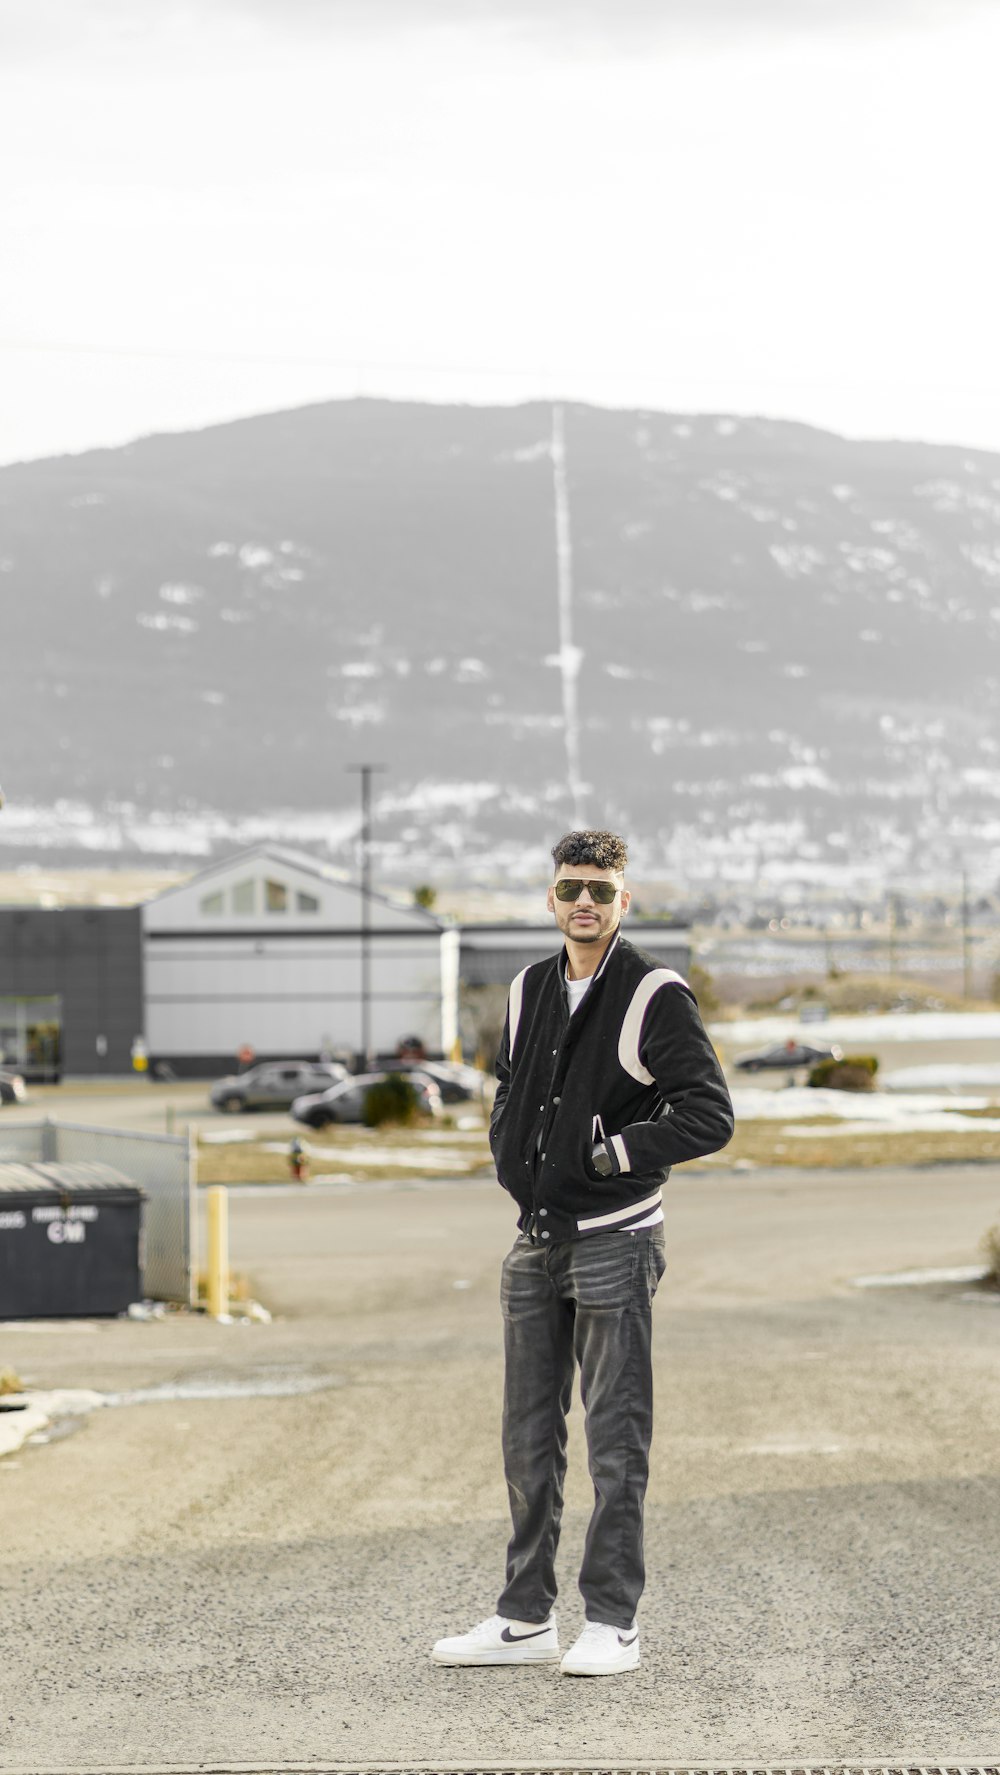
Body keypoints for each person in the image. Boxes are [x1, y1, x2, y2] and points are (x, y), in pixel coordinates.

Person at [431, 829, 734, 1677]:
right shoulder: (530, 986)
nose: (585, 902)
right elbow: (508, 1085)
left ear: (624, 898)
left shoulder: (653, 993)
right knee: (527, 1438)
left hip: (616, 1241)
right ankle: (525, 1616)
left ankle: (613, 1619)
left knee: (613, 1439)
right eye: (571, 888)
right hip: (534, 1241)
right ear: (552, 897)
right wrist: (510, 1157)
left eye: (600, 888)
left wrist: (615, 1153)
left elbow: (709, 1113)